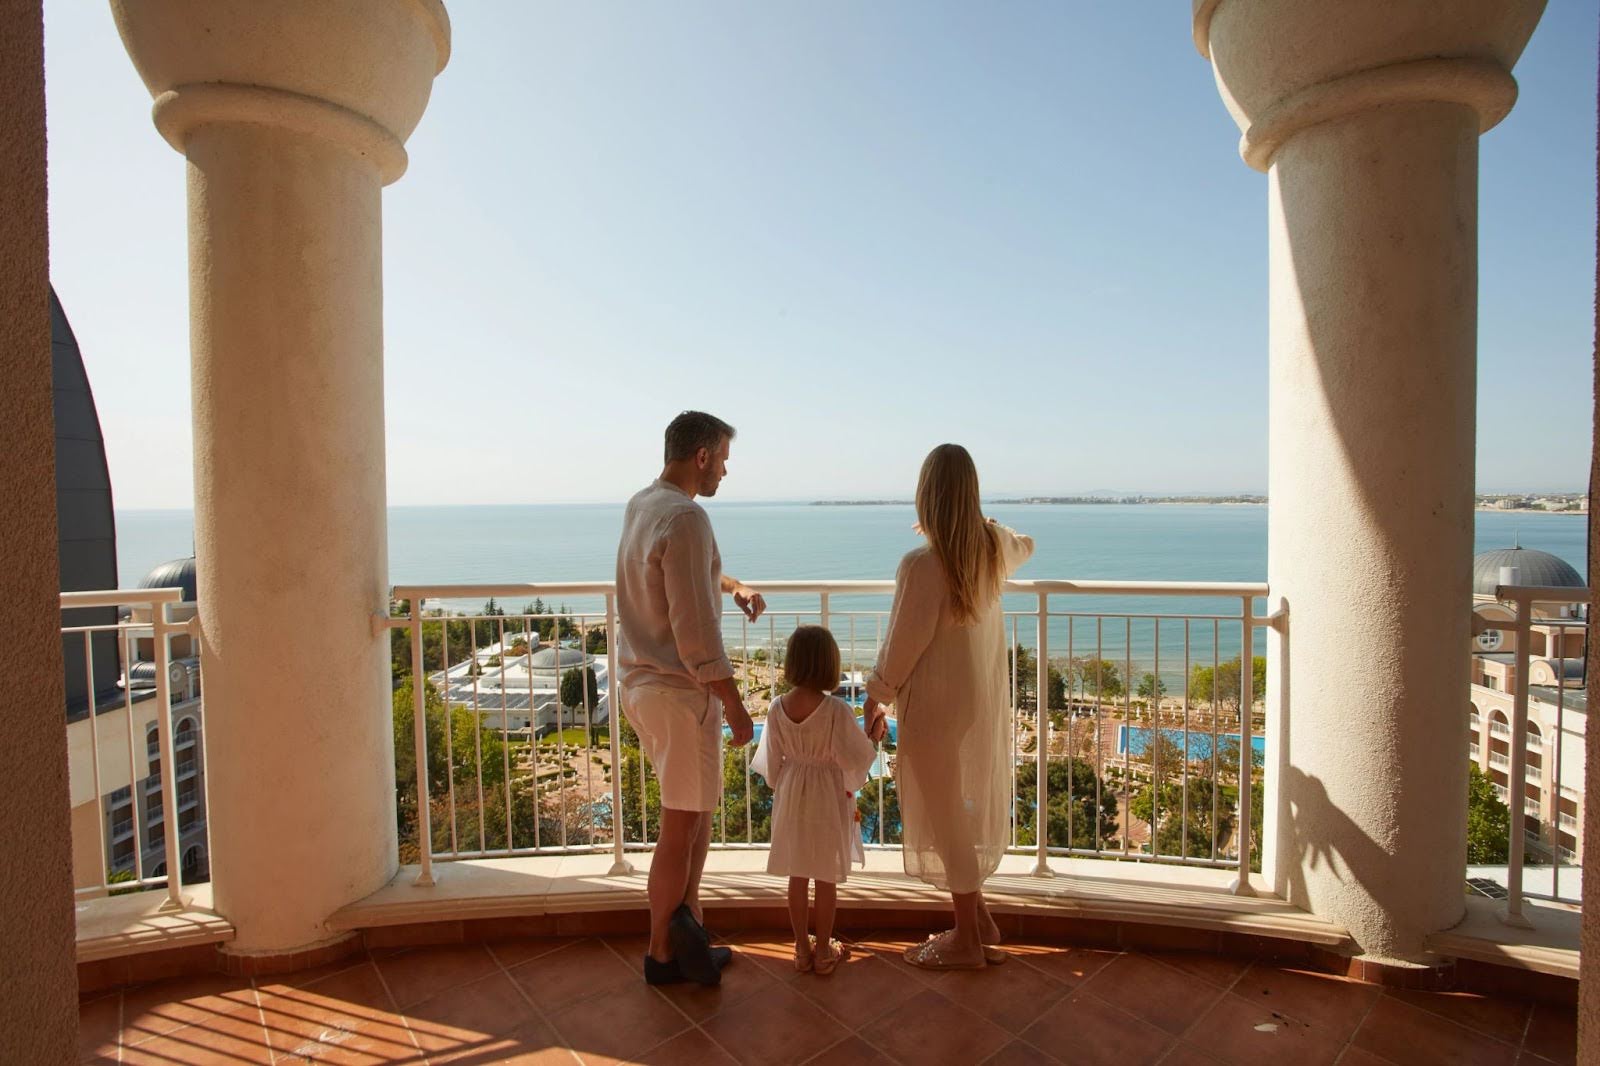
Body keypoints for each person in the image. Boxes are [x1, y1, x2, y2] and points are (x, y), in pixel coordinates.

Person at [861, 443, 1034, 970]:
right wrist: (982, 524)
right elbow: (1026, 542)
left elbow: (902, 645)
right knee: (952, 814)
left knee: (944, 822)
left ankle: (966, 941)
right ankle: (979, 922)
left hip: (933, 708)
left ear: (926, 498)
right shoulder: (989, 549)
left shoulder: (922, 565)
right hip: (971, 703)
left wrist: (875, 696)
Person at [615, 411, 766, 986]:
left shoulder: (644, 505)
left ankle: (689, 932)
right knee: (680, 828)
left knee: (695, 818)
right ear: (701, 455)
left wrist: (734, 584)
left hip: (643, 684)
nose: (725, 472)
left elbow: (683, 576)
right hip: (679, 693)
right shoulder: (688, 516)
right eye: (723, 459)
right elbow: (697, 632)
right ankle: (661, 954)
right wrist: (734, 703)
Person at [751, 625, 878, 976]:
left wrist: (787, 784)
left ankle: (801, 949)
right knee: (825, 876)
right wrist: (873, 735)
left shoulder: (778, 707)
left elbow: (772, 766)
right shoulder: (835, 710)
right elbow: (857, 759)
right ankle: (823, 951)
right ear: (828, 663)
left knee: (797, 874)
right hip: (827, 796)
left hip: (793, 791)